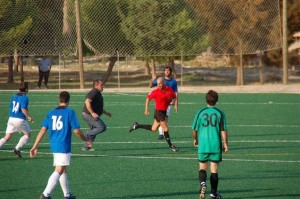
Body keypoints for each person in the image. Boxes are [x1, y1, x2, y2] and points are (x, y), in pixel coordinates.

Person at [30, 91, 92, 199]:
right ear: (68, 101)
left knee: (63, 169)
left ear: (59, 100)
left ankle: (67, 195)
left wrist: (35, 146)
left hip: (54, 144)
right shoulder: (69, 112)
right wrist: (86, 140)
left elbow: (43, 129)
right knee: (59, 170)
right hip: (63, 145)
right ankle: (45, 194)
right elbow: (76, 131)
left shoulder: (51, 112)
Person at [192, 90, 228, 199]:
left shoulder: (200, 112)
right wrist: (225, 143)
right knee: (214, 169)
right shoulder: (220, 113)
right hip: (215, 145)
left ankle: (203, 183)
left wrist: (195, 139)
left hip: (203, 145)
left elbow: (194, 129)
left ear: (206, 99)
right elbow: (223, 130)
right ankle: (213, 194)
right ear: (216, 100)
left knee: (202, 167)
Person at [129, 77, 178, 152]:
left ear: (163, 83)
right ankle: (171, 146)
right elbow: (148, 99)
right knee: (166, 128)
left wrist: (173, 102)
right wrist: (146, 109)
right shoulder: (155, 91)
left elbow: (174, 97)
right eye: (158, 84)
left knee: (153, 129)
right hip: (159, 112)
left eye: (160, 83)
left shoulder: (169, 89)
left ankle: (136, 126)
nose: (159, 85)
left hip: (163, 112)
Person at [0, 82, 34, 158]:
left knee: (7, 137)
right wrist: (29, 117)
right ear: (26, 89)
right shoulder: (25, 97)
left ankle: (16, 148)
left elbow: (12, 107)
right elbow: (23, 109)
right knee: (28, 135)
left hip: (11, 118)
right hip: (19, 119)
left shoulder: (14, 96)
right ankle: (17, 148)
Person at [81, 79, 112, 151]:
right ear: (96, 86)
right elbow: (87, 102)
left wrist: (107, 113)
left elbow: (98, 107)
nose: (102, 86)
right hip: (88, 115)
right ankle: (87, 134)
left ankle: (86, 147)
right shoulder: (93, 92)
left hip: (89, 114)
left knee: (94, 130)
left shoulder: (98, 93)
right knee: (102, 127)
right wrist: (92, 113)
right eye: (101, 85)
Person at [149, 66, 178, 140]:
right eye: (165, 70)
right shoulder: (160, 80)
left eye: (168, 70)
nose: (167, 72)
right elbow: (150, 86)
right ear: (164, 72)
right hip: (160, 102)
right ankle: (161, 134)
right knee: (162, 119)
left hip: (169, 103)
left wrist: (175, 104)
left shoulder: (173, 81)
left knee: (165, 118)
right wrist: (152, 79)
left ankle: (163, 133)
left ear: (170, 72)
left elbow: (175, 93)